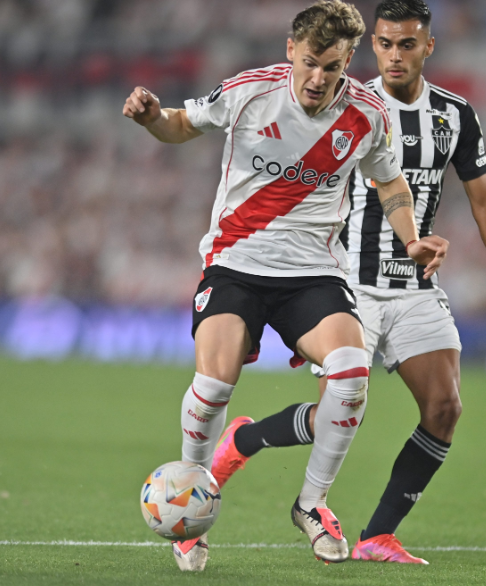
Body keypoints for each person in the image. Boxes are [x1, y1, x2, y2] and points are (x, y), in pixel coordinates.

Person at [209, 0, 486, 565]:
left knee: (445, 408)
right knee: (336, 415)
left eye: (406, 44)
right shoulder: (348, 103)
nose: (393, 54)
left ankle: (377, 535)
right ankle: (243, 440)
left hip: (414, 286)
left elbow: (483, 199)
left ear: (427, 47)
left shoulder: (455, 116)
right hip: (346, 283)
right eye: (384, 43)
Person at [122, 0, 448, 571]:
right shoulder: (250, 92)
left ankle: (313, 503)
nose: (319, 79)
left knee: (350, 373)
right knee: (214, 383)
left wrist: (411, 237)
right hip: (235, 263)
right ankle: (191, 505)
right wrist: (152, 116)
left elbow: (391, 182)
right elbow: (180, 124)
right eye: (311, 64)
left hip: (313, 272)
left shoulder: (366, 112)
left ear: (349, 61)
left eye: (334, 67)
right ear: (291, 52)